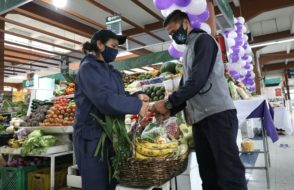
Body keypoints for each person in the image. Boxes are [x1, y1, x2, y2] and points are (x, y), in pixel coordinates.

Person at [152, 10, 247, 190]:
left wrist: (168, 103)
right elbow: (185, 87)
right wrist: (169, 111)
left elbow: (197, 81)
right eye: (170, 34)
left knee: (229, 174)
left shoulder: (203, 41)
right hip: (200, 120)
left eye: (174, 31)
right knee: (208, 175)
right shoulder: (187, 50)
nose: (174, 36)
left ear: (186, 23)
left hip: (217, 115)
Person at [73, 30, 149, 190]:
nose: (116, 50)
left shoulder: (111, 71)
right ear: (100, 45)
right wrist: (137, 106)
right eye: (113, 46)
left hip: (111, 135)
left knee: (113, 182)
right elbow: (105, 100)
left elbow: (118, 95)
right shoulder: (88, 68)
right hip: (91, 138)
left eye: (117, 47)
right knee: (97, 184)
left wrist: (136, 96)